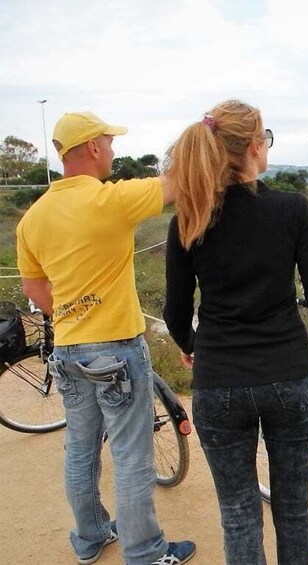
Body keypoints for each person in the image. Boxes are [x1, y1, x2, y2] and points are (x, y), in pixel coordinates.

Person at [162, 99, 308, 565]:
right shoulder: (292, 210)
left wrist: (194, 347)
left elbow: (174, 312)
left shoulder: (188, 219)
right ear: (254, 146)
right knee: (292, 508)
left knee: (238, 513)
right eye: (266, 138)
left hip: (219, 383)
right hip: (290, 378)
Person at [15, 111, 196, 565]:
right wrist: (204, 133)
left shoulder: (32, 219)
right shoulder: (111, 200)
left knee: (80, 448)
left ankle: (90, 536)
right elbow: (176, 184)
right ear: (93, 147)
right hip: (116, 348)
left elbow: (35, 291)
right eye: (109, 142)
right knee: (133, 456)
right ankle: (146, 552)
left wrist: (75, 312)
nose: (113, 150)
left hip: (69, 350)